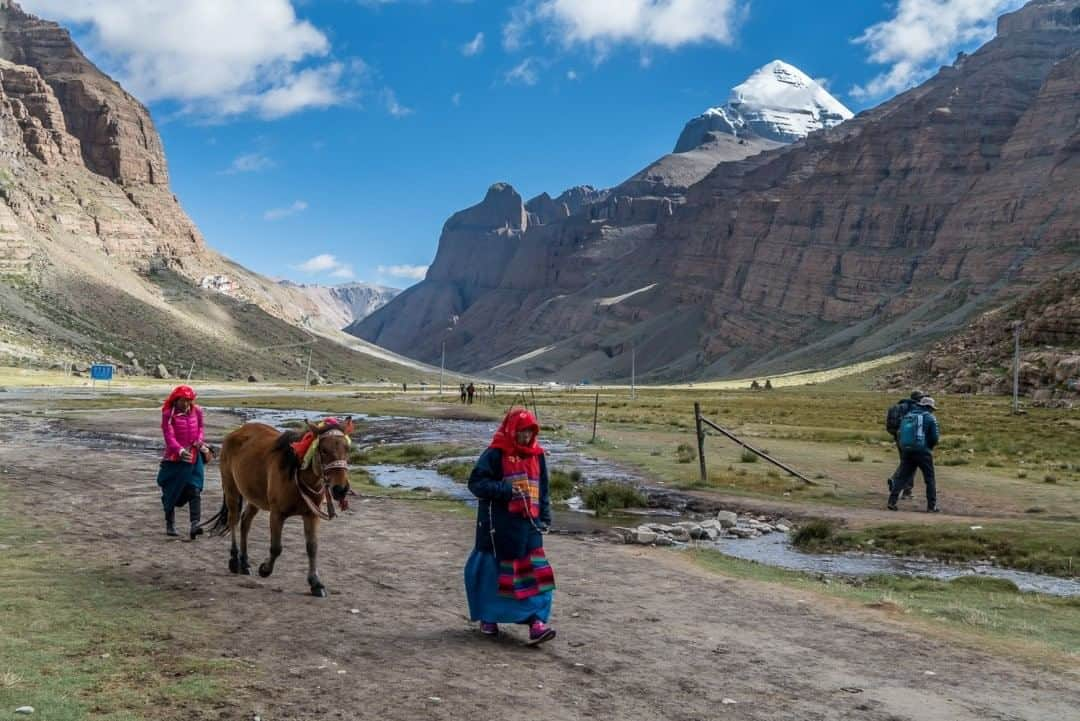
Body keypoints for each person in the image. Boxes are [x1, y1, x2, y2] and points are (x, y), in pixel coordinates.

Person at [464, 408, 557, 645]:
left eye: (529, 432)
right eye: (521, 432)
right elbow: (476, 483)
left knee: (536, 574)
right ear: (511, 430)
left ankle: (537, 623)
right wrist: (505, 490)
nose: (526, 438)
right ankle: (489, 617)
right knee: (491, 574)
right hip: (497, 528)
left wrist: (545, 517)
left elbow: (543, 489)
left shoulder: (538, 455)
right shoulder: (495, 453)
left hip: (529, 526)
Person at [157, 385, 210, 538]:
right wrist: (179, 450)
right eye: (183, 400)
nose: (186, 404)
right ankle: (170, 524)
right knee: (170, 491)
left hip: (194, 457)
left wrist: (199, 442)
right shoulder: (168, 414)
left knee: (195, 488)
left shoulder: (197, 411)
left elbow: (200, 429)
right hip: (175, 458)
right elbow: (168, 436)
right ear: (176, 399)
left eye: (189, 400)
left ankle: (195, 524)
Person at [887, 396, 940, 512]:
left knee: (902, 476)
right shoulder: (930, 418)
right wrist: (928, 447)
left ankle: (892, 501)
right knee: (929, 478)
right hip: (923, 452)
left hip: (907, 450)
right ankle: (931, 506)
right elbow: (935, 438)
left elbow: (900, 432)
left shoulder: (908, 416)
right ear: (929, 407)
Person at [885, 390, 924, 500]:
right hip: (911, 440)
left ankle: (899, 485)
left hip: (899, 438)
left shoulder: (898, 407)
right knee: (911, 463)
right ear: (918, 398)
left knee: (906, 461)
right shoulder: (915, 408)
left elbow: (891, 426)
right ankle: (905, 489)